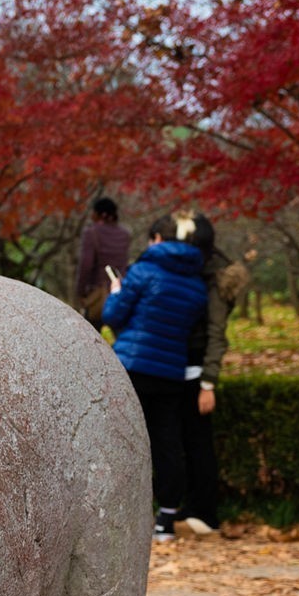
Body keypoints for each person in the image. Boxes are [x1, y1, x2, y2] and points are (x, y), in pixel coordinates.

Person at [102, 216, 208, 541]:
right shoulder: (197, 284)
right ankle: (166, 520)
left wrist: (116, 291)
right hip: (170, 371)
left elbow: (113, 316)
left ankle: (120, 516)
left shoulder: (142, 271)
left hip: (132, 366)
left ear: (158, 239)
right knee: (167, 442)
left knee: (121, 439)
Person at [176, 213, 250, 537]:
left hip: (196, 368)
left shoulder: (216, 278)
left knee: (198, 442)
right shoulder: (194, 271)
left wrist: (208, 382)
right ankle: (190, 508)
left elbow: (217, 335)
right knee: (184, 440)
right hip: (180, 364)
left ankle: (205, 513)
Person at [74, 196, 131, 326]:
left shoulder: (92, 233)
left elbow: (86, 265)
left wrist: (81, 292)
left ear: (101, 214)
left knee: (93, 336)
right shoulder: (125, 234)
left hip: (98, 295)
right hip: (121, 291)